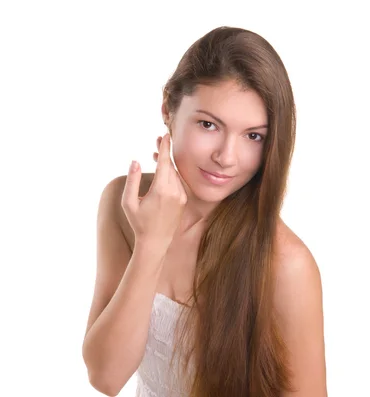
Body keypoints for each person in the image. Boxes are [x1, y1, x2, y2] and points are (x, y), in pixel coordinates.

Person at [82, 26, 326, 397]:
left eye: (253, 136)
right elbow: (105, 376)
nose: (226, 157)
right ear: (168, 109)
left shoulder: (286, 264)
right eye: (208, 125)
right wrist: (151, 243)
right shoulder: (124, 203)